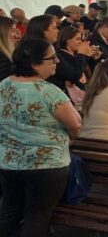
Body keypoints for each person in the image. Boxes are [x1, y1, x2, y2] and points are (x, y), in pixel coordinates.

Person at [0, 39, 81, 237]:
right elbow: (75, 124)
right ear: (34, 63)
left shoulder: (4, 84)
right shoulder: (49, 91)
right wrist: (70, 138)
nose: (57, 62)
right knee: (37, 217)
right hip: (46, 166)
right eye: (52, 58)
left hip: (8, 163)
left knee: (9, 213)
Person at [48, 26, 96, 100]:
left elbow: (81, 71)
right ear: (67, 40)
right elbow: (75, 76)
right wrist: (81, 54)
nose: (80, 42)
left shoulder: (75, 55)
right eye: (77, 39)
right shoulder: (60, 55)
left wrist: (87, 56)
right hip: (64, 97)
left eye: (81, 39)